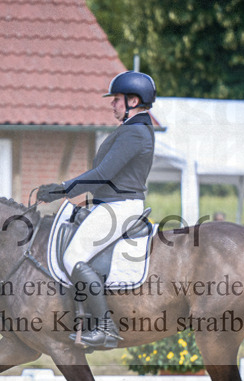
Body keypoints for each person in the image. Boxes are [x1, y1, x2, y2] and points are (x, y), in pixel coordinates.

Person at [36, 70, 156, 351]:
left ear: (134, 100)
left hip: (121, 207)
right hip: (110, 204)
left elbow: (103, 173)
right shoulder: (130, 129)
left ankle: (104, 328)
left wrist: (63, 189)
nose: (112, 104)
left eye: (116, 99)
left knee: (74, 256)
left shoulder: (136, 132)